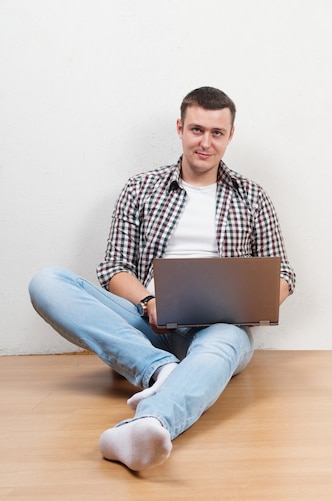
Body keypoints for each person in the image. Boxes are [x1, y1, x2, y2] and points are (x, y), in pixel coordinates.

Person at [28, 86, 296, 472]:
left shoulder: (252, 197)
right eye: (196, 130)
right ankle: (161, 369)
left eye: (216, 133)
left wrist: (252, 302)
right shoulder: (140, 189)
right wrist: (148, 303)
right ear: (180, 128)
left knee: (228, 339)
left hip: (217, 328)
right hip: (146, 322)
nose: (205, 142)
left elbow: (283, 273)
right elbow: (113, 267)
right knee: (47, 282)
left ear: (230, 135)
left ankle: (151, 422)